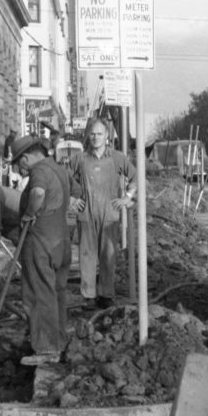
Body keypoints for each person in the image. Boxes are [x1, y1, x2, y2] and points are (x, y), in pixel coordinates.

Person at [9, 135, 72, 363]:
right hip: (61, 242)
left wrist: (29, 213)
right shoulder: (59, 168)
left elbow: (38, 194)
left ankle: (46, 349)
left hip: (41, 244)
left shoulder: (39, 171)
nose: (19, 169)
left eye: (18, 164)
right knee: (57, 294)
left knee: (38, 295)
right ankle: (58, 341)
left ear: (25, 158)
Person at [67, 117, 137, 309]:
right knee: (87, 255)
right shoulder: (80, 159)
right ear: (88, 136)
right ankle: (88, 295)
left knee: (108, 255)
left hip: (109, 215)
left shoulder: (117, 158)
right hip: (87, 214)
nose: (96, 138)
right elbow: (64, 178)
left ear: (107, 136)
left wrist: (128, 196)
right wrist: (72, 199)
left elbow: (135, 176)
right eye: (92, 134)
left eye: (100, 134)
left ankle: (106, 294)